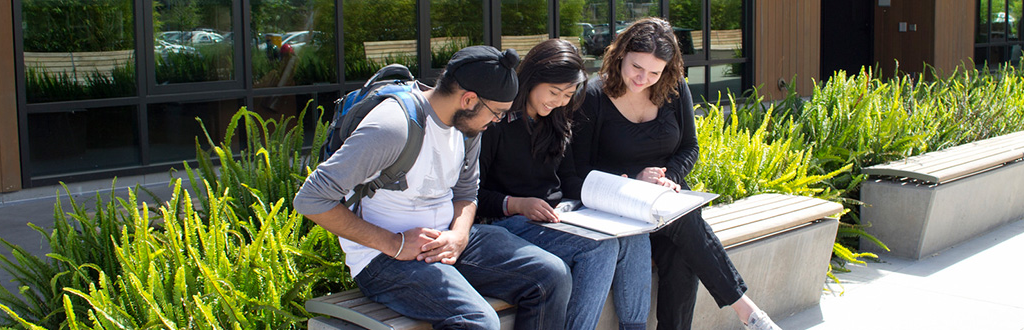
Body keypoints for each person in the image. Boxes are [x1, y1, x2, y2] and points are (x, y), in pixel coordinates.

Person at [294, 46, 571, 330]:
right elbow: (311, 199)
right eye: (497, 113)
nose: (496, 122)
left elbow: (466, 193)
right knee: (477, 322)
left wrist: (459, 236)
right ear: (469, 99)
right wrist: (395, 243)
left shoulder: (468, 130)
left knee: (551, 276)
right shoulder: (393, 127)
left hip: (446, 242)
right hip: (384, 258)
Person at [559, 18, 783, 330]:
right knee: (687, 229)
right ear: (621, 54)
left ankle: (746, 313)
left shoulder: (674, 90)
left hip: (668, 202)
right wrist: (634, 179)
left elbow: (690, 147)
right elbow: (576, 172)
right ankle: (748, 312)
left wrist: (670, 177)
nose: (643, 78)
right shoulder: (592, 97)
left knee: (682, 256)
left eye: (654, 72)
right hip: (618, 209)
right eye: (637, 67)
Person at [476, 39, 652, 330]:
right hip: (507, 223)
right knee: (600, 249)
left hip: (558, 216)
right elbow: (474, 195)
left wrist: (607, 190)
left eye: (568, 94)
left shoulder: (558, 119)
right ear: (532, 79)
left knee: (636, 235)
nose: (558, 101)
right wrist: (516, 204)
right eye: (554, 91)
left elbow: (568, 180)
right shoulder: (497, 122)